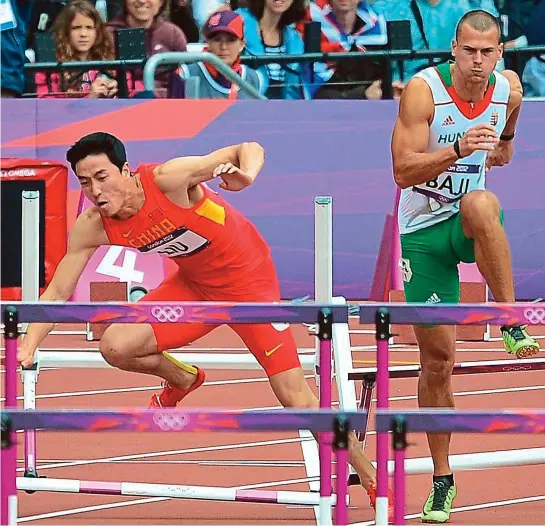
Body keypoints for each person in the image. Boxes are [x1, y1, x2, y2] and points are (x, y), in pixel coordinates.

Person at [17, 132, 393, 520]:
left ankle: (372, 478)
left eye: (101, 176)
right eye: (84, 182)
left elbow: (248, 148)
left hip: (251, 285)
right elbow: (58, 290)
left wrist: (246, 174)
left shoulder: (168, 179)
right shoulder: (93, 225)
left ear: (126, 170)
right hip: (194, 287)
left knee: (295, 396)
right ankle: (182, 379)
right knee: (116, 345)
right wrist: (28, 344)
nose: (95, 190)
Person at [390, 9, 541, 524]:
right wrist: (456, 149)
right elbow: (401, 170)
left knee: (480, 203)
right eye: (469, 51)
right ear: (453, 49)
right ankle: (442, 477)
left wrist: (507, 132)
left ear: (500, 53)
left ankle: (510, 318)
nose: (478, 62)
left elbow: (504, 151)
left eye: (488, 52)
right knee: (437, 362)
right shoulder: (422, 91)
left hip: (467, 224)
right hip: (422, 237)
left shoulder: (508, 90)